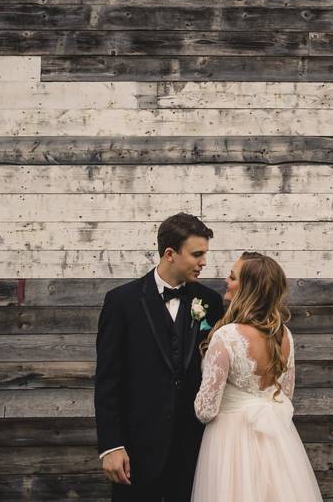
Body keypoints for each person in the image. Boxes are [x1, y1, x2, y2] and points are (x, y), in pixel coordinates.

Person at [95, 213, 226, 502]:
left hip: (193, 448)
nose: (204, 262)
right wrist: (111, 445)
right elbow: (108, 379)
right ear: (170, 254)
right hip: (137, 450)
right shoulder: (121, 302)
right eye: (197, 254)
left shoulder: (211, 302)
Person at [191, 252, 323, 502]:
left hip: (230, 444)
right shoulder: (284, 335)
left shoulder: (226, 336)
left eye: (232, 277)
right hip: (276, 443)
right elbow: (286, 395)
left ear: (248, 287)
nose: (226, 281)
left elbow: (205, 410)